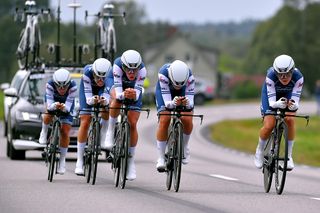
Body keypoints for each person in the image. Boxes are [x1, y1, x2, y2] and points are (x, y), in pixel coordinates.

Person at [102, 49, 147, 181]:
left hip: (133, 87)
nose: (132, 72)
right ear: (123, 66)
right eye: (128, 69)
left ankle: (130, 162)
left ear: (139, 67)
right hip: (116, 83)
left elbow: (138, 93)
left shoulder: (143, 71)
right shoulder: (117, 66)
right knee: (117, 99)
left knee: (132, 123)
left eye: (135, 69)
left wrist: (133, 95)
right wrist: (123, 95)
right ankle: (110, 132)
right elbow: (118, 91)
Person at [254, 54, 304, 170]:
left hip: (288, 94)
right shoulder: (270, 76)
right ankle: (259, 151)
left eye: (287, 74)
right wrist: (277, 104)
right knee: (269, 125)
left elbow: (295, 101)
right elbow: (272, 103)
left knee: (290, 120)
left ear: (292, 71)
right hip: (270, 97)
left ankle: (288, 156)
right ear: (275, 73)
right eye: (280, 75)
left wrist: (294, 105)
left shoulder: (299, 77)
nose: (284, 77)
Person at [154, 60, 195, 172]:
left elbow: (190, 103)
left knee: (187, 118)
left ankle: (185, 146)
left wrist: (185, 102)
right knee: (165, 119)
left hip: (183, 94)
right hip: (165, 93)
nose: (178, 86)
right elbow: (167, 104)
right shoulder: (163, 74)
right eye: (176, 83)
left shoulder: (190, 77)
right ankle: (161, 157)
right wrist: (173, 103)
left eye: (181, 83)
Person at [74, 58, 112, 175]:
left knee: (106, 110)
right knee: (85, 121)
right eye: (98, 77)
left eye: (103, 78)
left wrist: (104, 101)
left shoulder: (111, 76)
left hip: (102, 91)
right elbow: (88, 98)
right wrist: (92, 100)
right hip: (88, 91)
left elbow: (107, 96)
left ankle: (103, 134)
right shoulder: (87, 73)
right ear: (94, 73)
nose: (100, 80)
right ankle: (79, 161)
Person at [39, 68, 77, 174]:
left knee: (65, 131)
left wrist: (64, 108)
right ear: (54, 83)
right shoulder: (50, 85)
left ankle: (62, 160)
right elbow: (49, 104)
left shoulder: (73, 87)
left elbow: (68, 107)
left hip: (67, 104)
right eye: (58, 86)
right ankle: (44, 131)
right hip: (53, 101)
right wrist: (54, 106)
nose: (61, 89)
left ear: (69, 83)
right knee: (47, 114)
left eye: (64, 86)